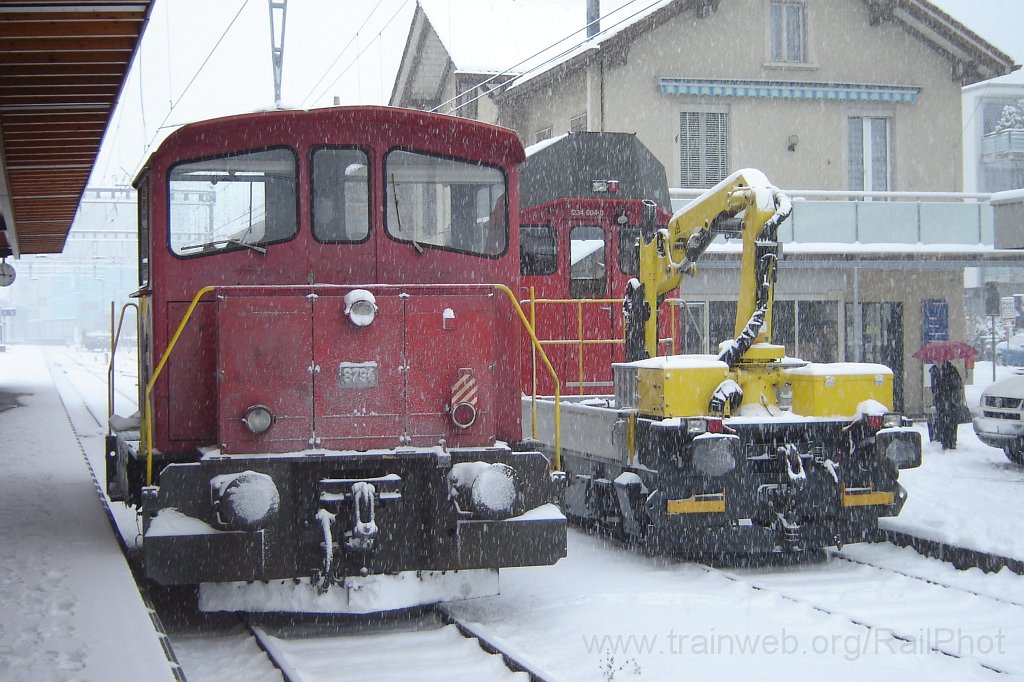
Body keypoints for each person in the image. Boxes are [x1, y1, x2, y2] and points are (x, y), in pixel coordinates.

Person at [930, 361, 963, 450]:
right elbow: (934, 387)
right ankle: (945, 440)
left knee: (950, 421)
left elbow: (957, 385)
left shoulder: (951, 370)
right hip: (941, 402)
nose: (935, 361)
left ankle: (951, 441)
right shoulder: (933, 370)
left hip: (950, 401)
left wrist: (947, 388)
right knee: (942, 421)